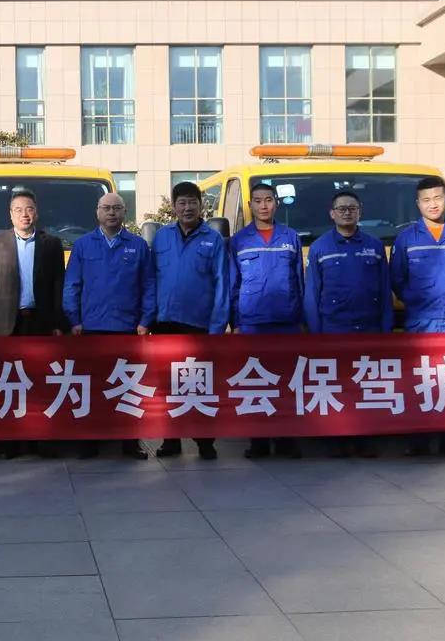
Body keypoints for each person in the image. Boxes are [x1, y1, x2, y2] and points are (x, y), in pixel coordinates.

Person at [64, 192, 155, 460]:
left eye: (117, 208)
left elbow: (149, 286)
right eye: (106, 208)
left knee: (128, 386)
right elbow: (72, 285)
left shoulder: (138, 246)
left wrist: (145, 320)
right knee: (92, 386)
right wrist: (74, 319)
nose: (111, 212)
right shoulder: (83, 245)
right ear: (97, 212)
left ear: (125, 212)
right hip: (91, 327)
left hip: (128, 327)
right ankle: (90, 441)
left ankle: (130, 442)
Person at [391, 175, 445, 457]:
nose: (433, 204)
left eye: (438, 198)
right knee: (420, 382)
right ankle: (419, 440)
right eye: (426, 200)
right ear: (418, 204)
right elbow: (397, 279)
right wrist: (417, 300)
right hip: (420, 323)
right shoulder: (406, 239)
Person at [303, 191, 392, 458]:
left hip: (369, 329)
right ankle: (339, 438)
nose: (346, 212)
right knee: (338, 386)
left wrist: (386, 329)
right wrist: (316, 334)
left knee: (367, 386)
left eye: (352, 208)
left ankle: (365, 438)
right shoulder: (320, 248)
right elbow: (312, 295)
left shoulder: (374, 246)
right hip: (334, 330)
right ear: (332, 214)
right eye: (341, 208)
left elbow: (385, 290)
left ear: (360, 212)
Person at [0, 187, 66, 458]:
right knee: (8, 381)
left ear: (36, 213)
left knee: (40, 380)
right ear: (10, 214)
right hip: (7, 324)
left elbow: (58, 286)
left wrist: (57, 322)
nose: (24, 214)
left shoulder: (51, 244)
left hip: (40, 322)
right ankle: (10, 442)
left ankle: (40, 439)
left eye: (29, 209)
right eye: (18, 210)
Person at [151, 181, 228, 461]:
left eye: (192, 202)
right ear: (173, 207)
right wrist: (148, 318)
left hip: (198, 324)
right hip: (164, 322)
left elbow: (222, 283)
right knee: (168, 384)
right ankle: (170, 440)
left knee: (199, 384)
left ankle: (204, 441)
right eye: (181, 202)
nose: (187, 208)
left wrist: (217, 327)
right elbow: (151, 279)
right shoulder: (161, 237)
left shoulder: (213, 239)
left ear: (201, 205)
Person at [229, 182, 304, 459]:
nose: (263, 205)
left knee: (287, 382)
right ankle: (258, 441)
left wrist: (302, 319)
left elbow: (300, 281)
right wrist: (235, 323)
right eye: (258, 201)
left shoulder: (291, 237)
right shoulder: (239, 241)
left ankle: (286, 440)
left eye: (268, 200)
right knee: (256, 382)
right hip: (252, 324)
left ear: (276, 203)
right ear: (250, 205)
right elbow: (233, 284)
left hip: (287, 322)